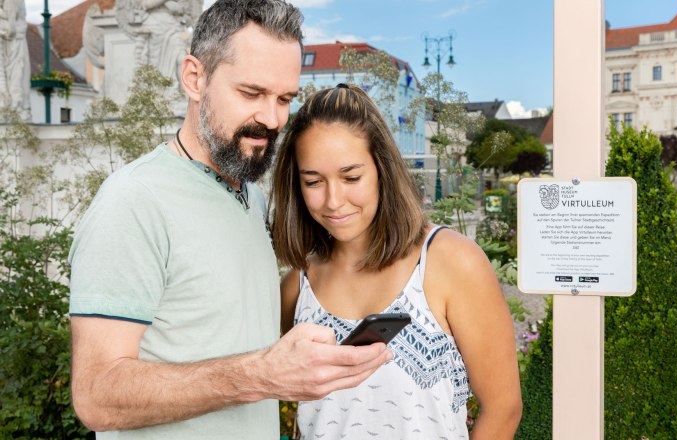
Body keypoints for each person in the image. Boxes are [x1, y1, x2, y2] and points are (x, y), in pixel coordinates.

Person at [68, 2, 391, 438]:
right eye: (251, 93)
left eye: (284, 99)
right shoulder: (134, 201)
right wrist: (261, 375)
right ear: (194, 78)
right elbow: (97, 396)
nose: (272, 119)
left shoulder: (250, 197)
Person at [271, 84, 523, 439]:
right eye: (313, 181)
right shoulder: (297, 285)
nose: (333, 200)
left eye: (351, 177)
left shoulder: (450, 262)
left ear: (382, 169)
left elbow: (503, 409)